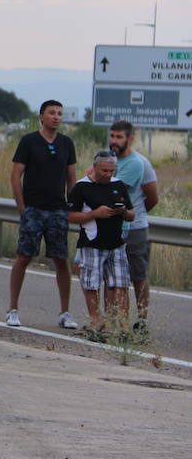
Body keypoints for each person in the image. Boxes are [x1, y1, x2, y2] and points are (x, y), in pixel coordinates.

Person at [8, 100, 78, 329]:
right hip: (34, 209)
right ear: (41, 117)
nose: (56, 117)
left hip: (57, 209)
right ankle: (13, 309)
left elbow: (71, 179)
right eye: (51, 113)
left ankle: (65, 312)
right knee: (24, 257)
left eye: (59, 113)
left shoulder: (66, 143)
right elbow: (16, 175)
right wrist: (22, 207)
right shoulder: (29, 141)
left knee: (60, 260)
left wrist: (71, 205)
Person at [67, 150, 134, 338]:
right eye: (104, 170)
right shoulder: (82, 187)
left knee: (120, 284)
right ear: (95, 167)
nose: (107, 175)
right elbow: (69, 216)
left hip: (117, 244)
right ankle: (96, 320)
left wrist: (123, 212)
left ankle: (123, 325)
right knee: (91, 284)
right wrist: (94, 214)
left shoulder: (118, 185)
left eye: (111, 171)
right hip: (92, 244)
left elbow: (131, 213)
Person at [106, 121, 158, 331]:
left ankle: (142, 318)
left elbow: (152, 197)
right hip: (113, 227)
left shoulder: (138, 163)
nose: (115, 141)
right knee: (114, 276)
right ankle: (115, 321)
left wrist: (135, 213)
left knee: (138, 274)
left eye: (119, 137)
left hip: (134, 227)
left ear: (130, 138)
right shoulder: (108, 159)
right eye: (112, 136)